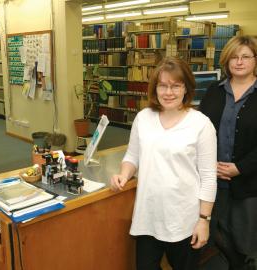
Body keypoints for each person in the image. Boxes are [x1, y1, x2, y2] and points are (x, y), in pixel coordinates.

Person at [110, 57, 217, 270]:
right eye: (163, 85)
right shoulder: (143, 118)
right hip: (148, 217)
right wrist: (123, 173)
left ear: (186, 88)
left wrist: (204, 220)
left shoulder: (201, 124)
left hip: (184, 220)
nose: (169, 92)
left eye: (176, 86)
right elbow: (132, 156)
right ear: (155, 88)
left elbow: (208, 177)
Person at [199, 35, 257, 270]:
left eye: (245, 57)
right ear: (226, 60)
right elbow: (200, 129)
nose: (239, 62)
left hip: (248, 183)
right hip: (213, 180)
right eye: (234, 57)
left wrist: (240, 168)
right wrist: (207, 164)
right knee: (215, 236)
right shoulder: (214, 90)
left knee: (246, 242)